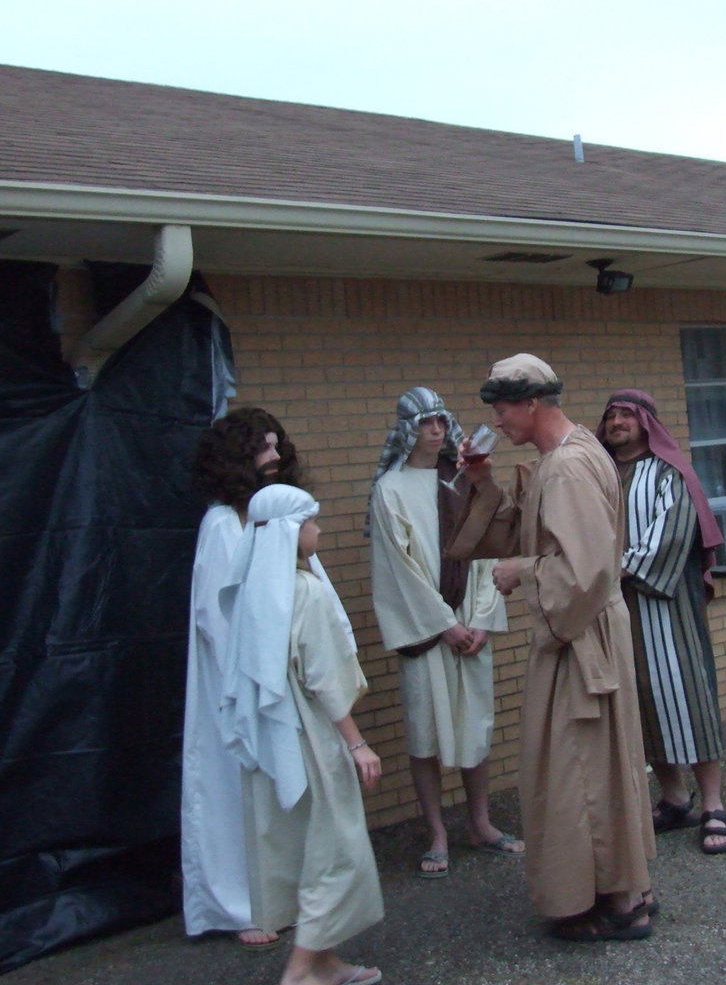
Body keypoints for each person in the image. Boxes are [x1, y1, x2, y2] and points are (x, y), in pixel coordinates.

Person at [446, 355, 656, 941]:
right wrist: (483, 481)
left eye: (502, 407)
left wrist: (524, 572)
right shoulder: (571, 454)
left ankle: (611, 901)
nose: (496, 418)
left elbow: (585, 571)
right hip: (589, 633)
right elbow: (536, 530)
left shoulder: (565, 468)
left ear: (532, 403)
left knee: (576, 771)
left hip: (579, 638)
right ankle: (623, 891)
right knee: (596, 767)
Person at [220, 484, 384, 985]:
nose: (319, 528)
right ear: (291, 531)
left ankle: (325, 961)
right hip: (313, 738)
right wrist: (357, 743)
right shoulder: (306, 592)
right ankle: (300, 970)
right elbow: (324, 679)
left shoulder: (256, 590)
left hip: (277, 738)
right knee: (338, 848)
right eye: (311, 520)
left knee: (311, 848)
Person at [367, 386, 523, 879]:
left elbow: (487, 550)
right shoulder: (389, 490)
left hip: (468, 628)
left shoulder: (461, 479)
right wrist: (445, 625)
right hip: (428, 631)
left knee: (475, 726)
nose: (435, 431)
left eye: (441, 422)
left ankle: (481, 823)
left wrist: (477, 619)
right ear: (407, 430)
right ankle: (437, 832)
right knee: (426, 734)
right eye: (425, 423)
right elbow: (399, 569)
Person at [181, 407, 310, 947]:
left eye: (278, 447)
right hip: (235, 684)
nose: (274, 458)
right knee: (231, 791)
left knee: (275, 789)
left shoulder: (272, 523)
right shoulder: (221, 525)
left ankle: (279, 896)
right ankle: (238, 905)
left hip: (273, 678)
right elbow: (218, 616)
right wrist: (258, 662)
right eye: (263, 448)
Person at [597, 389, 726, 855]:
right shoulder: (600, 475)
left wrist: (604, 570)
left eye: (625, 416)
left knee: (687, 694)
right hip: (616, 609)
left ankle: (713, 804)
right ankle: (675, 798)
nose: (616, 422)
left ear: (646, 423)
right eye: (611, 416)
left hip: (668, 605)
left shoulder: (670, 473)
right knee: (641, 702)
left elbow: (670, 536)